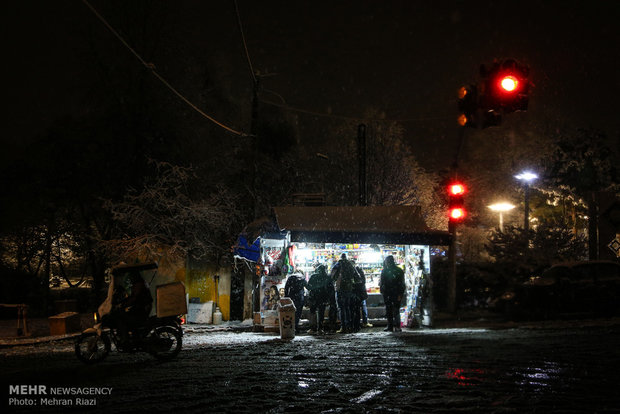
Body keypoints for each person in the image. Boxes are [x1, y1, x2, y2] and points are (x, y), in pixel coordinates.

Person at [113, 270, 153, 346]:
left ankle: (125, 339)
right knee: (126, 315)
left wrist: (123, 304)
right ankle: (131, 337)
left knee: (122, 319)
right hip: (141, 308)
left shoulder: (139, 284)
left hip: (142, 310)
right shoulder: (140, 283)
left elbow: (134, 298)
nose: (130, 279)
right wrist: (124, 302)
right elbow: (133, 297)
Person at [330, 253, 356, 333]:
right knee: (347, 307)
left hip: (340, 288)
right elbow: (354, 275)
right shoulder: (350, 265)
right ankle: (349, 326)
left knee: (341, 308)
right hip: (348, 288)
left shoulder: (338, 264)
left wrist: (334, 281)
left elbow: (332, 275)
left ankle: (343, 326)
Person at [379, 255, 405, 332]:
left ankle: (390, 326)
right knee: (396, 310)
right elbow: (402, 283)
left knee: (389, 310)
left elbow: (382, 283)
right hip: (395, 293)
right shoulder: (399, 270)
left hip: (388, 293)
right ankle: (397, 326)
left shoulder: (385, 271)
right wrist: (400, 293)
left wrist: (383, 291)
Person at [306, 264, 331, 334]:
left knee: (312, 312)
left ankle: (312, 328)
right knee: (321, 313)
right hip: (322, 297)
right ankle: (320, 328)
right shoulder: (327, 277)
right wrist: (328, 298)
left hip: (314, 297)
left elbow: (308, 287)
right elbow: (329, 288)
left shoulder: (313, 276)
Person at [351, 259, 371, 331]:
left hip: (356, 293)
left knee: (356, 309)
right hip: (360, 293)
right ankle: (363, 323)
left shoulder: (352, 272)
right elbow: (363, 281)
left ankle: (356, 325)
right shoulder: (359, 271)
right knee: (361, 308)